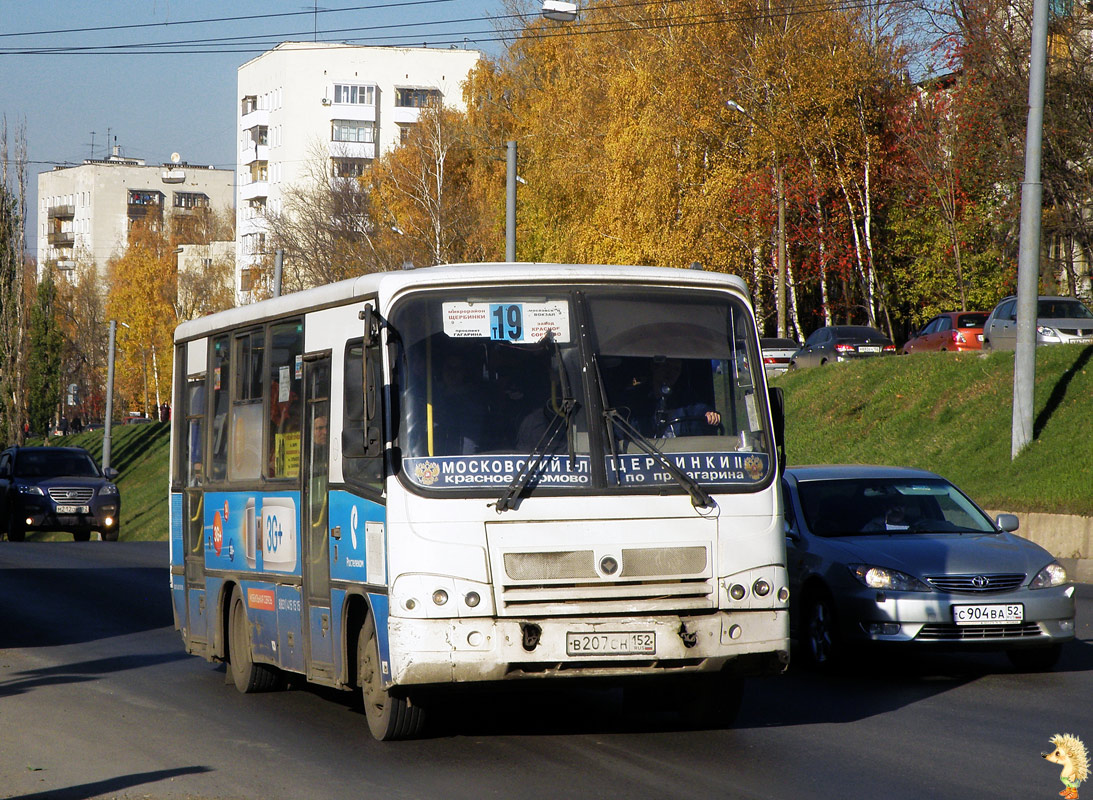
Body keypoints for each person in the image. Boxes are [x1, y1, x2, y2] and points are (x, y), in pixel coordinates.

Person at [622, 357, 721, 438]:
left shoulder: (686, 400)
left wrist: (710, 415)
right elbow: (623, 429)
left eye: (676, 370)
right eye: (667, 367)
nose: (671, 374)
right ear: (654, 367)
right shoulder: (635, 400)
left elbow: (701, 411)